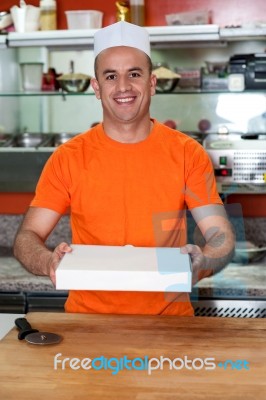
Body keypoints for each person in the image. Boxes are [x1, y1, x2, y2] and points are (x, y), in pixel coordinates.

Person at [13, 21, 235, 316]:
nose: (123, 87)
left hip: (169, 325)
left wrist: (203, 261)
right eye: (110, 76)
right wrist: (47, 261)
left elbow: (221, 236)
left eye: (134, 74)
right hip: (88, 324)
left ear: (152, 83)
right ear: (96, 87)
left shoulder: (187, 153)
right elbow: (27, 237)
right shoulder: (68, 157)